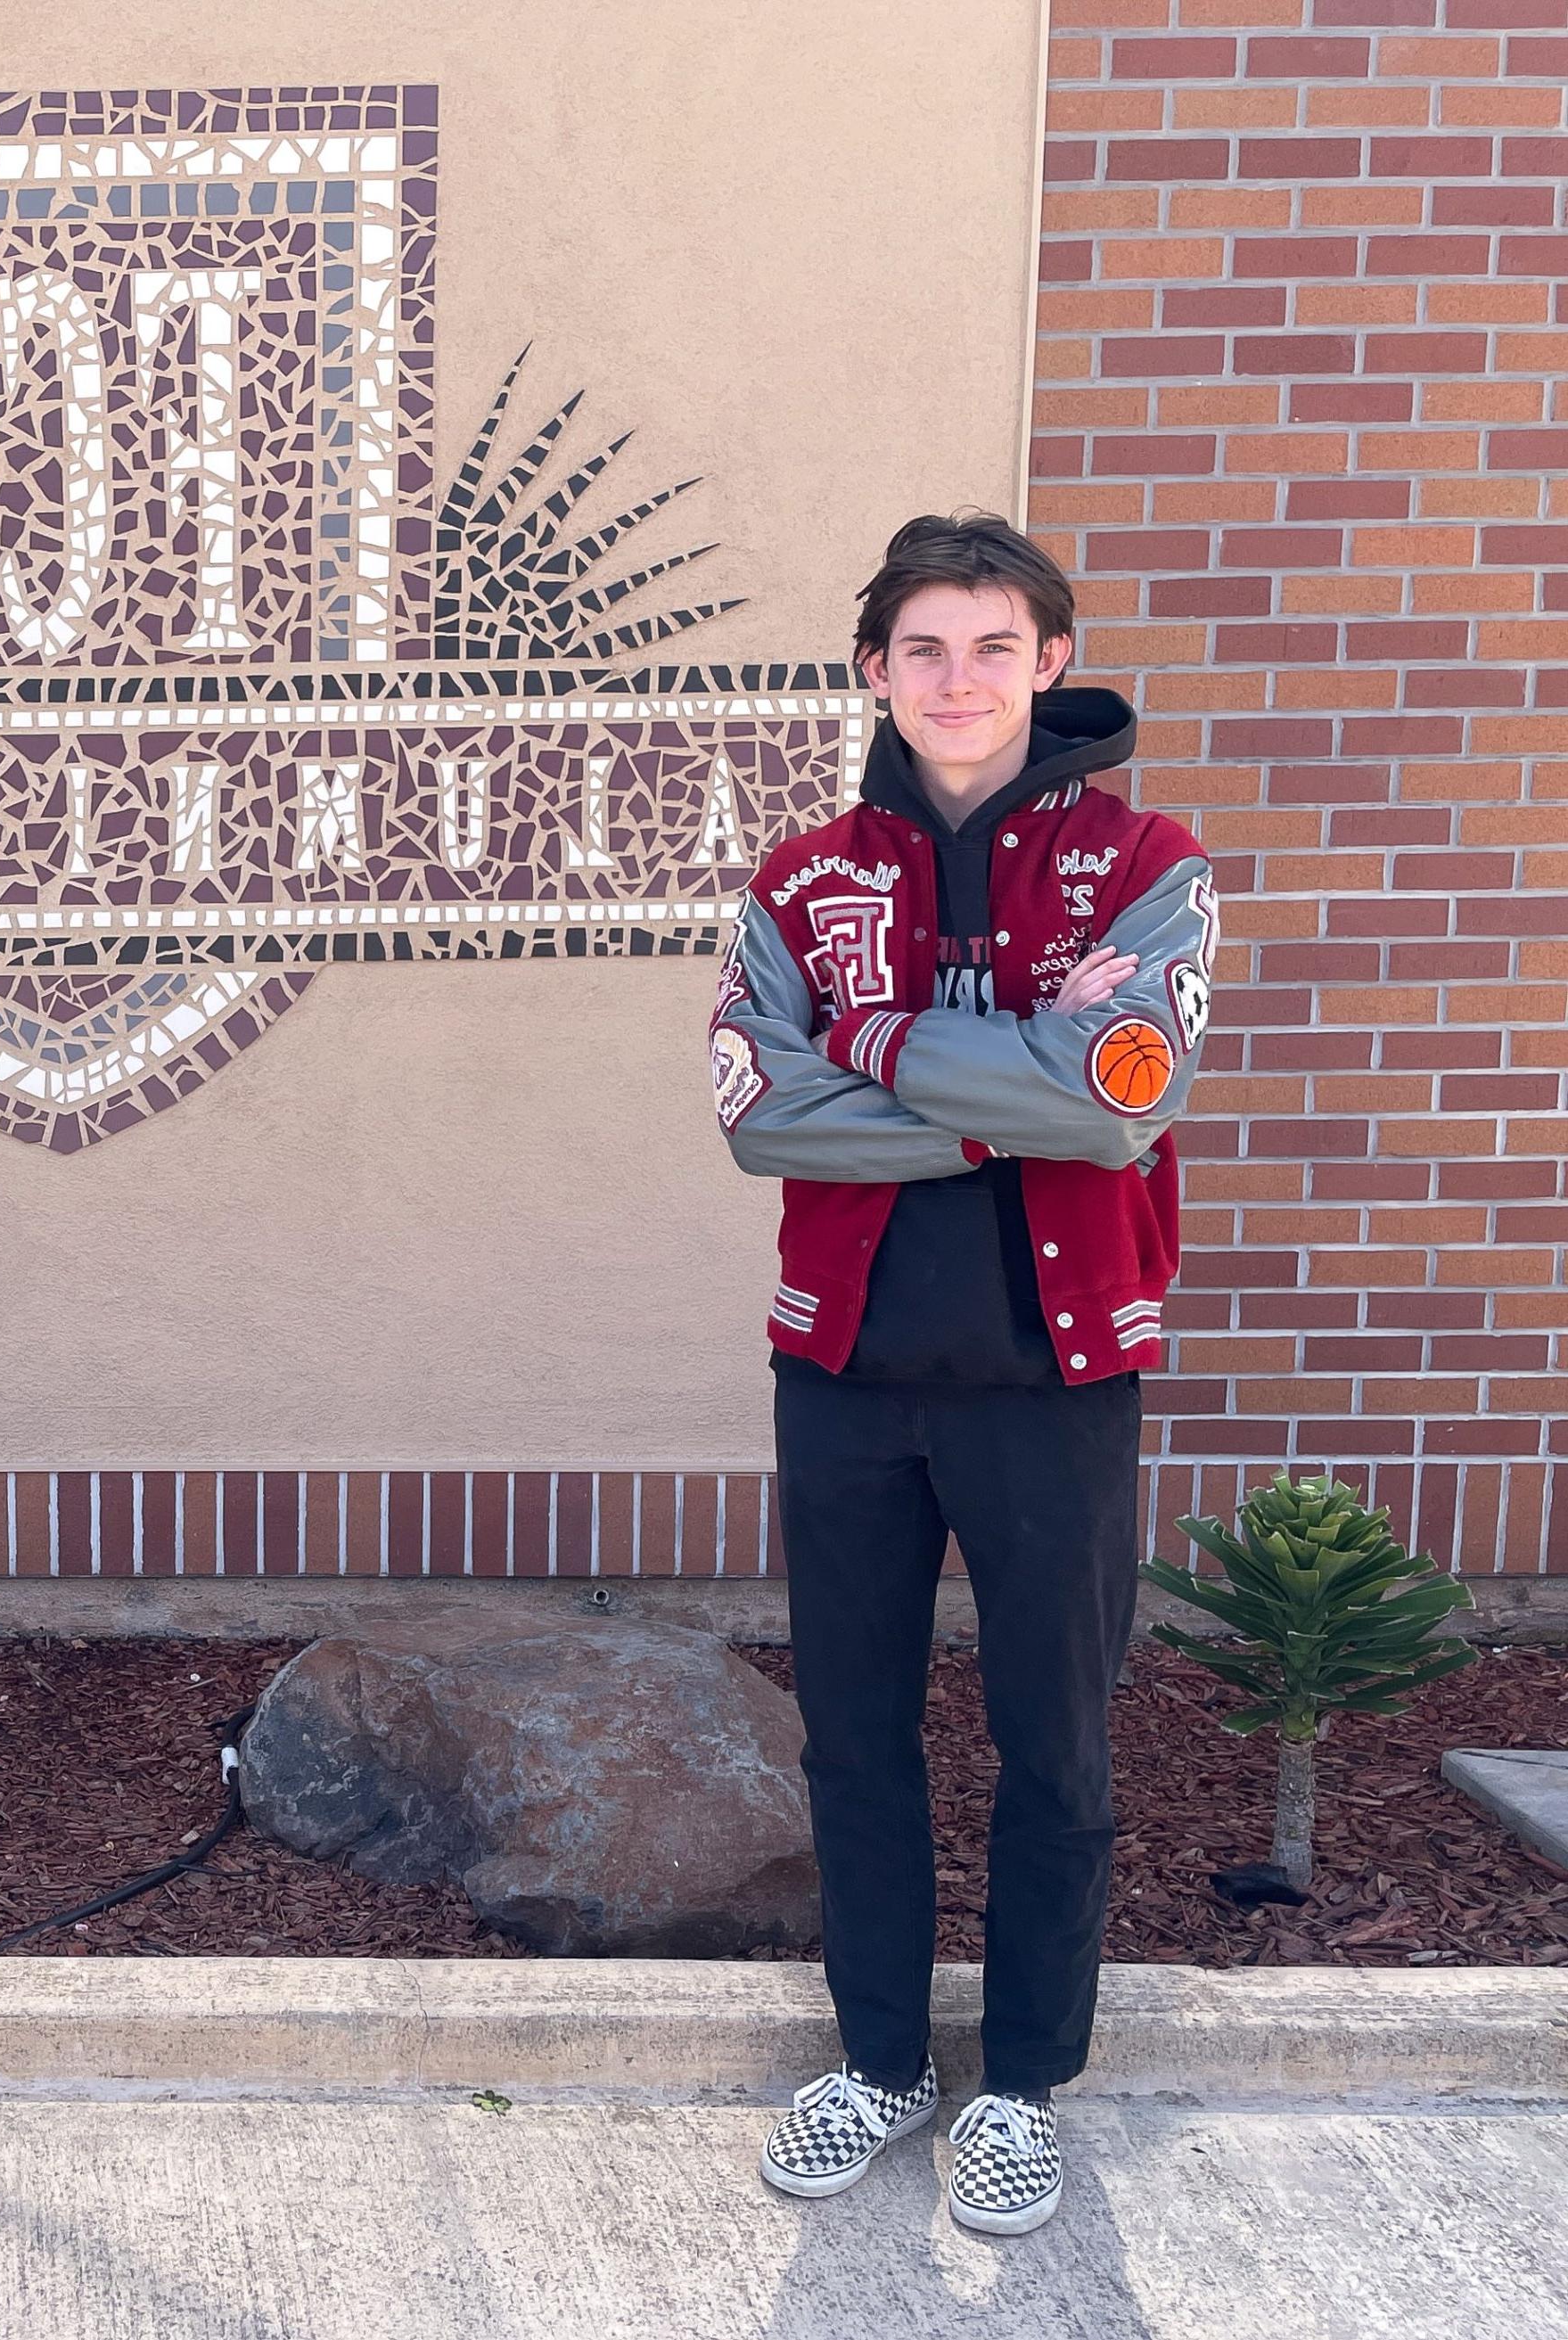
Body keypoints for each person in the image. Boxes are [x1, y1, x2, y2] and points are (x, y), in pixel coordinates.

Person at [709, 512, 1214, 2236]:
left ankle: (1020, 2083)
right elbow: (758, 1115)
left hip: (1054, 1378)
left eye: (995, 645)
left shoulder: (1147, 862)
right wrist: (1001, 1094)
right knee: (853, 1736)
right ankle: (878, 2059)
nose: (959, 677)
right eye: (923, 647)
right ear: (874, 671)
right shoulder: (798, 880)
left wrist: (872, 1050)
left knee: (1054, 1742)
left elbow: (1120, 1094)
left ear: (1051, 663)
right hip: (844, 1373)